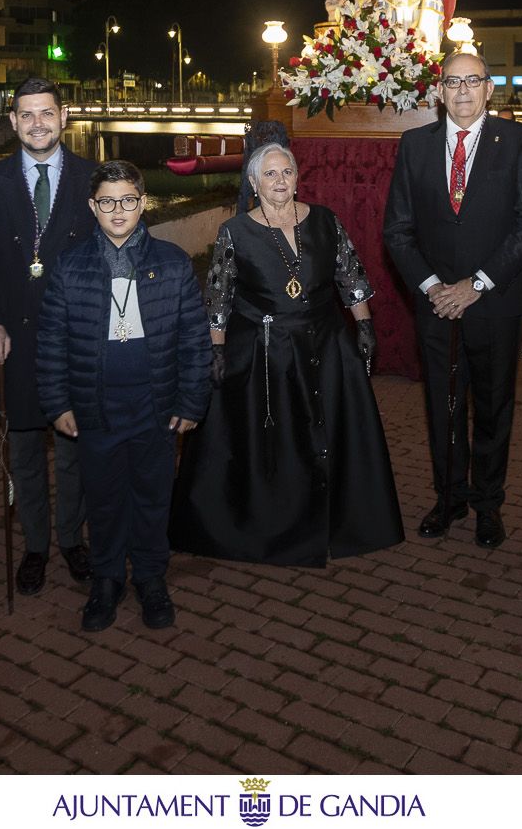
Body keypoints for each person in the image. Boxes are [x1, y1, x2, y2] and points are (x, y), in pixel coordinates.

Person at [171, 143, 403, 567]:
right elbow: (219, 297)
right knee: (278, 441)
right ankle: (280, 526)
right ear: (254, 184)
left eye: (288, 172)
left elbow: (349, 276)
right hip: (265, 352)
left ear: (298, 177)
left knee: (333, 434)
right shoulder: (235, 231)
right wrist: (216, 350)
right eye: (271, 175)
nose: (281, 181)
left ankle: (338, 521)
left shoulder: (325, 221)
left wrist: (364, 325)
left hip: (327, 343)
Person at [37, 161, 211, 632]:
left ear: (142, 203)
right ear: (93, 207)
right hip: (95, 408)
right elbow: (51, 341)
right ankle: (107, 579)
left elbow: (196, 340)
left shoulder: (172, 264)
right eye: (108, 201)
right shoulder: (70, 267)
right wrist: (57, 403)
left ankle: (152, 577)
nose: (119, 210)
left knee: (154, 497)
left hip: (155, 406)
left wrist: (192, 402)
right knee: (106, 499)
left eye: (128, 200)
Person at [383, 51, 522, 549]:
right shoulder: (414, 145)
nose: (462, 91)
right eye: (452, 82)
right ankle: (449, 499)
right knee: (443, 406)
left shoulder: (517, 142)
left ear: (489, 89)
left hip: (494, 304)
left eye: (472, 81)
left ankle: (487, 506)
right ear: (438, 91)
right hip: (436, 306)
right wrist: (433, 286)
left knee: (494, 409)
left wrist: (476, 284)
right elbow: (398, 231)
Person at [0, 78, 97, 597]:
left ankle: (72, 540)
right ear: (14, 121)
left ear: (64, 118)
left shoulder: (92, 179)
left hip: (74, 343)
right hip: (14, 344)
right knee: (22, 452)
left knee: (72, 450)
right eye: (27, 115)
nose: (37, 123)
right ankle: (36, 546)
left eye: (47, 113)